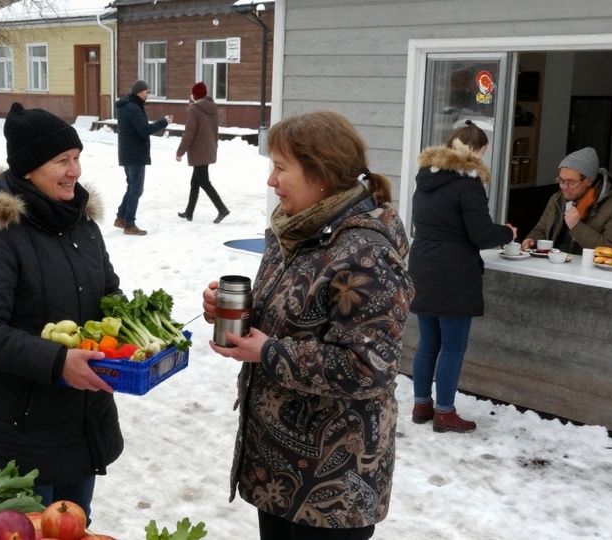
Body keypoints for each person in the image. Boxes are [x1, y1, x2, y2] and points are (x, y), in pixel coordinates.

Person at [201, 110, 414, 540]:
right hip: (280, 470)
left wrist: (267, 352)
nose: (270, 181)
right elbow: (289, 316)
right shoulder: (297, 232)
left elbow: (368, 368)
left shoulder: (365, 254)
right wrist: (233, 312)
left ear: (321, 173)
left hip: (331, 491)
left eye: (280, 168)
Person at [0, 102, 122, 522]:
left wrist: (134, 331)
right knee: (31, 530)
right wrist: (57, 362)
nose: (75, 171)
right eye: (62, 161)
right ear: (28, 169)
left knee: (76, 525)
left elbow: (109, 293)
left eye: (77, 158)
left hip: (83, 419)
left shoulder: (82, 225)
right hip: (26, 427)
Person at [408, 121, 516, 434]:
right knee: (453, 347)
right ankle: (444, 413)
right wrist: (507, 233)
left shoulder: (426, 180)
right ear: (476, 152)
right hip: (453, 271)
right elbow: (481, 234)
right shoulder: (468, 184)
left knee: (428, 342)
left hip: (423, 266)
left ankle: (421, 405)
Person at [521, 147, 612, 254]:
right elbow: (541, 229)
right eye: (561, 180)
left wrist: (576, 226)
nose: (564, 187)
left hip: (588, 270)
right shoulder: (557, 199)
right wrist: (531, 241)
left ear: (588, 181)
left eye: (571, 182)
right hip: (554, 265)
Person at [113, 79, 171, 236]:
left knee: (131, 187)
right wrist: (163, 122)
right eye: (146, 92)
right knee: (136, 189)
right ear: (139, 92)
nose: (147, 95)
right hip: (135, 154)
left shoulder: (127, 106)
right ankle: (129, 224)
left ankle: (120, 218)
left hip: (128, 153)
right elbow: (144, 130)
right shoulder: (132, 108)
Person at [175, 82, 229, 224]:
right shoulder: (212, 108)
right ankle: (189, 212)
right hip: (208, 147)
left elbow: (189, 133)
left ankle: (222, 209)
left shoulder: (195, 110)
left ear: (195, 95)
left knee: (204, 181)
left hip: (199, 149)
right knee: (195, 182)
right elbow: (215, 129)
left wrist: (180, 151)